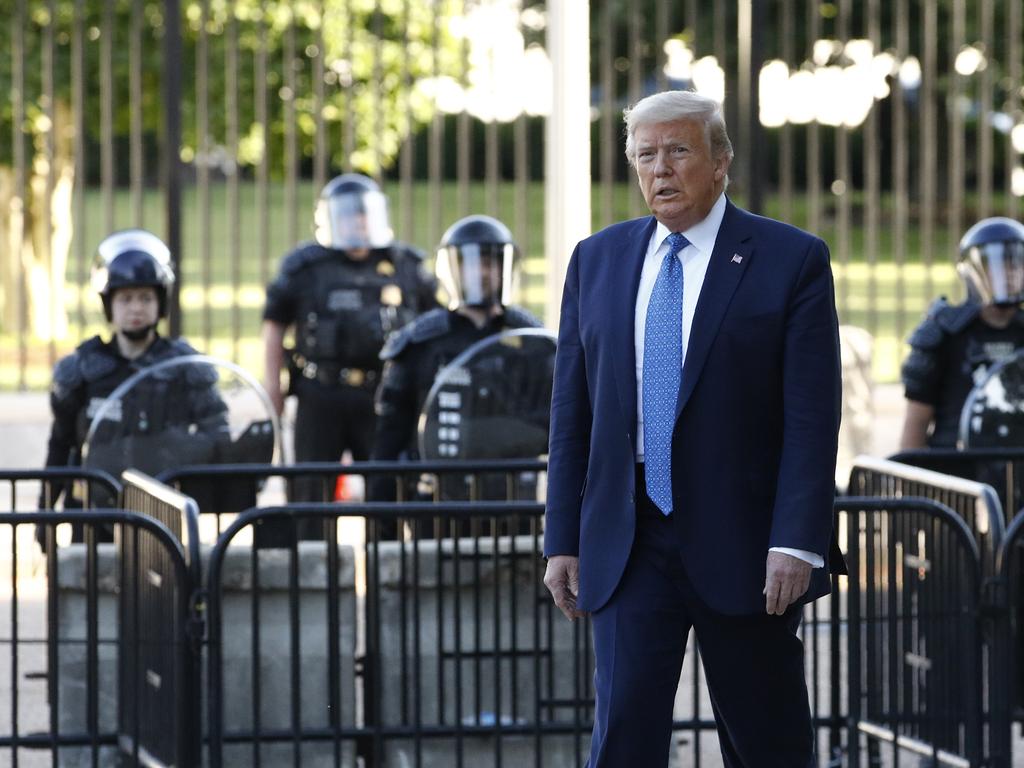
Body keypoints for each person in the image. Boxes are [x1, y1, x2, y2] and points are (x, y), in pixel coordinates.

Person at [541, 90, 843, 766]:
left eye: (678, 150)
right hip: (628, 537)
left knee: (766, 741)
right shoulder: (598, 260)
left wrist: (796, 541)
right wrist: (561, 537)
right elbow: (572, 415)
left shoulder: (790, 259)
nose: (661, 170)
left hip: (747, 544)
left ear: (721, 161)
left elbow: (811, 417)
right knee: (623, 738)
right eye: (645, 155)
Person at [261, 173, 439, 503]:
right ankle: (312, 553)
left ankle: (382, 554)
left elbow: (436, 323)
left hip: (383, 395)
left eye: (363, 217)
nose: (357, 225)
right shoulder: (306, 268)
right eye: (348, 217)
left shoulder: (405, 266)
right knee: (309, 495)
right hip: (320, 395)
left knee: (385, 492)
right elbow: (274, 325)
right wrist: (273, 388)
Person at [40, 229, 226, 539]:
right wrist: (44, 519)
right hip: (91, 514)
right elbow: (60, 445)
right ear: (108, 304)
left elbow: (218, 436)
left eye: (145, 298)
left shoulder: (185, 368)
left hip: (163, 513)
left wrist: (176, 446)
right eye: (125, 298)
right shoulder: (82, 370)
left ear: (161, 302)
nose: (136, 308)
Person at [370, 214, 543, 501]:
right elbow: (390, 438)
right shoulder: (420, 343)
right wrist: (382, 529)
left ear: (504, 269)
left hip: (513, 500)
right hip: (438, 502)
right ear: (452, 270)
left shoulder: (530, 341)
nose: (482, 273)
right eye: (471, 264)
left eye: (490, 263)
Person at [900, 216, 1024, 450]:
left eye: (1015, 264)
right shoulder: (943, 335)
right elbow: (915, 424)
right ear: (972, 272)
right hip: (957, 466)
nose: (1008, 273)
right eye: (996, 264)